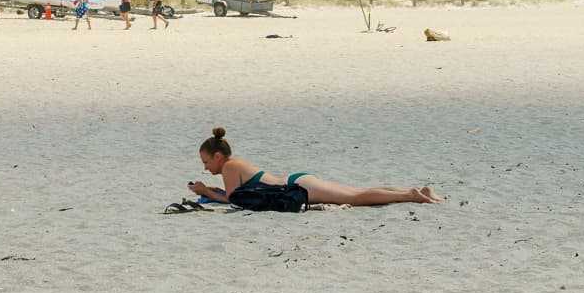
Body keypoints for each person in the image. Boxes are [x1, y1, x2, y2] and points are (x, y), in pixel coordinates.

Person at [188, 127, 442, 208]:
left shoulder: (231, 166)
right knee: (357, 191)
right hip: (298, 180)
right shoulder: (234, 165)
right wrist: (210, 189)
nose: (206, 167)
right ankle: (419, 191)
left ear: (219, 156)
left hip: (298, 187)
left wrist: (205, 191)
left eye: (206, 162)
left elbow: (232, 199)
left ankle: (410, 196)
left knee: (355, 198)